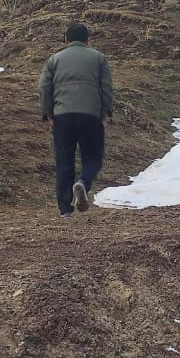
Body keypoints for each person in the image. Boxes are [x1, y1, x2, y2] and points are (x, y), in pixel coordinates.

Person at [39, 21, 114, 218]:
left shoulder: (53, 60)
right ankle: (83, 182)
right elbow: (107, 88)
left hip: (62, 116)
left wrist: (48, 113)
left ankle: (65, 209)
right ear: (87, 39)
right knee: (93, 158)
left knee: (64, 161)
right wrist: (105, 113)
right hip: (90, 116)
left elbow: (44, 88)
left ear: (66, 39)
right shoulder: (99, 58)